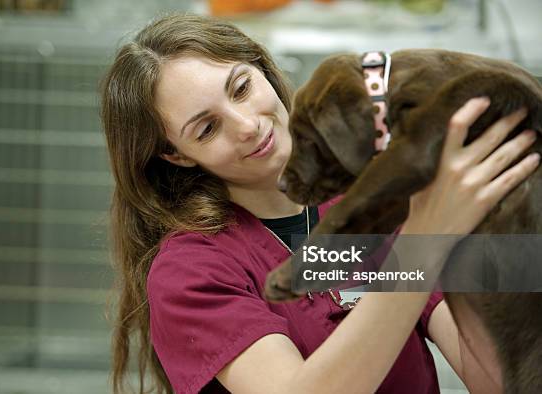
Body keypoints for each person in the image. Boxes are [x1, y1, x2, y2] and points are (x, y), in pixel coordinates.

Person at [100, 13, 539, 394]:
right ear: (176, 155)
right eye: (207, 129)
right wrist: (427, 239)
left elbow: (495, 379)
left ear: (262, 69)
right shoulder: (191, 272)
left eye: (240, 88)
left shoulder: (370, 203)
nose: (248, 126)